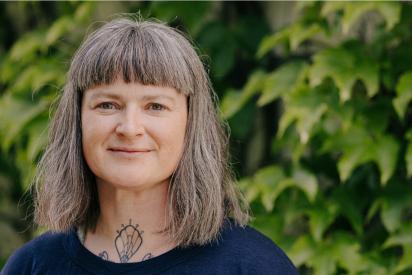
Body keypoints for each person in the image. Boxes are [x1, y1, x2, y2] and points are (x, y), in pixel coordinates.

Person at [1, 17, 298, 275]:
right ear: (78, 121)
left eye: (155, 106)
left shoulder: (252, 267)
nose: (130, 128)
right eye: (107, 104)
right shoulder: (32, 266)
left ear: (191, 124)